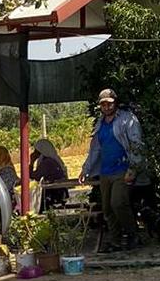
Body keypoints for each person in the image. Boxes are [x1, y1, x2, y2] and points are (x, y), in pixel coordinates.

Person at [79, 89, 143, 251]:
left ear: (115, 102)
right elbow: (95, 150)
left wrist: (133, 167)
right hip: (105, 172)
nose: (106, 106)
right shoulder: (100, 124)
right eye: (103, 104)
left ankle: (133, 235)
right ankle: (115, 241)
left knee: (118, 203)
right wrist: (85, 169)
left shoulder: (127, 119)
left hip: (123, 169)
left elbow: (136, 144)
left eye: (109, 103)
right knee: (107, 208)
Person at [30, 139, 69, 209]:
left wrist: (32, 162)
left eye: (36, 151)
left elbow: (34, 177)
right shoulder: (52, 160)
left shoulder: (47, 163)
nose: (34, 153)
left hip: (53, 194)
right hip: (59, 192)